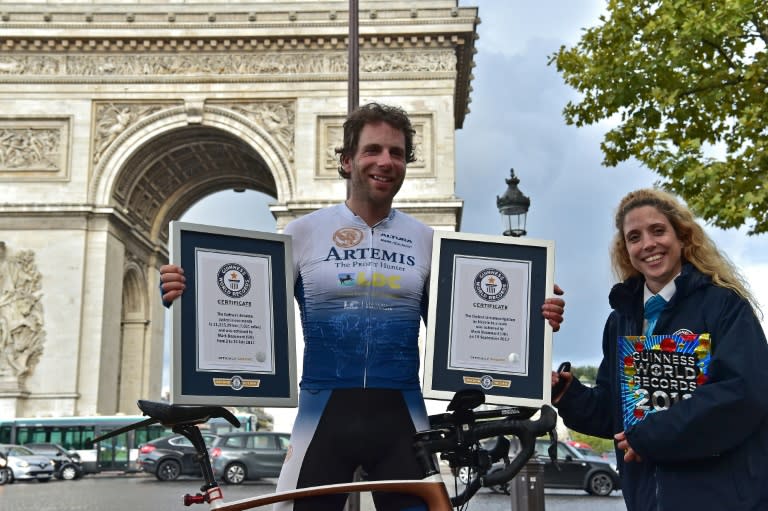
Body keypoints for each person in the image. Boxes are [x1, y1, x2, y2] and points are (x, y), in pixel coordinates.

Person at [160, 102, 566, 510]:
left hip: (402, 417)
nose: (386, 162)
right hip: (322, 414)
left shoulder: (427, 241)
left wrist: (530, 318)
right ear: (347, 160)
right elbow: (246, 309)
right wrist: (188, 293)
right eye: (373, 150)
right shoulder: (301, 233)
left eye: (397, 153)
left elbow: (462, 328)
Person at [551, 188, 768, 511]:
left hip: (722, 497)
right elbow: (617, 414)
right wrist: (569, 394)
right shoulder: (620, 320)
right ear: (626, 250)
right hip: (647, 500)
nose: (648, 244)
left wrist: (651, 436)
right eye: (634, 237)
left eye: (658, 230)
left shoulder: (723, 304)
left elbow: (743, 394)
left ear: (682, 238)